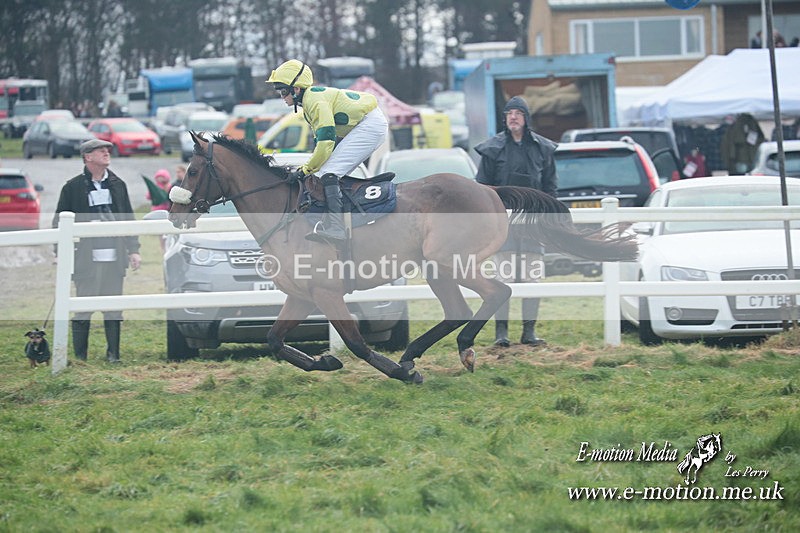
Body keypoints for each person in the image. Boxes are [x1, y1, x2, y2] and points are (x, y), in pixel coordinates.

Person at [266, 59, 388, 245]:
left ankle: (337, 228)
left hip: (370, 125)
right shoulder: (309, 103)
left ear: (296, 89)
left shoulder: (314, 101)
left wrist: (305, 170)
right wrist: (311, 169)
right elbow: (320, 145)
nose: (282, 96)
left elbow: (326, 143)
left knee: (328, 174)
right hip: (368, 123)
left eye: (283, 91)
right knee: (325, 172)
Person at [474, 96, 559, 347]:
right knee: (504, 278)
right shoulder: (493, 149)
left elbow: (550, 186)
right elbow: (483, 189)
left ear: (526, 118)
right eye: (509, 113)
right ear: (505, 118)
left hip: (533, 224)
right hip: (504, 225)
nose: (513, 117)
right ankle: (501, 333)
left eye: (518, 113)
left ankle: (528, 332)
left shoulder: (542, 149)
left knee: (532, 276)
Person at [52, 138, 141, 363]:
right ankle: (80, 358)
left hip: (115, 257)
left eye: (107, 150)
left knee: (113, 309)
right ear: (87, 157)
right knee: (83, 308)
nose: (106, 153)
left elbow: (128, 218)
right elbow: (59, 223)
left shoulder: (118, 184)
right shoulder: (72, 187)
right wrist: (60, 252)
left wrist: (134, 249)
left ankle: (114, 355)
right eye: (100, 150)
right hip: (85, 259)